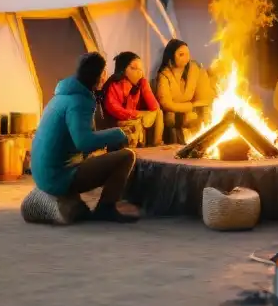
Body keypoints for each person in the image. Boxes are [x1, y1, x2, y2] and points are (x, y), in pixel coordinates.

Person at [29, 52, 139, 223]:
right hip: (57, 177)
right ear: (99, 75)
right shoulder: (79, 102)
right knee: (127, 156)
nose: (106, 76)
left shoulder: (62, 95)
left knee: (100, 155)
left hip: (41, 173)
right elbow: (84, 142)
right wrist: (117, 133)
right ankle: (106, 208)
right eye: (104, 72)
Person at [155, 38, 215, 144]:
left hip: (192, 110)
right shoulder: (164, 75)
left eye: (188, 54)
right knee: (174, 117)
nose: (186, 57)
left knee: (204, 112)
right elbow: (166, 104)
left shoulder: (194, 70)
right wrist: (190, 106)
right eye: (181, 54)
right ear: (171, 56)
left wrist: (196, 106)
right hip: (173, 113)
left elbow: (205, 96)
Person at [100, 51, 164, 147]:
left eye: (141, 69)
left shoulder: (138, 86)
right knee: (136, 123)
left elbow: (155, 107)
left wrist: (145, 85)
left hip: (133, 117)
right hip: (117, 121)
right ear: (123, 70)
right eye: (134, 68)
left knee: (158, 113)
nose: (139, 72)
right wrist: (137, 114)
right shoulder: (113, 86)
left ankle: (157, 145)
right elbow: (115, 110)